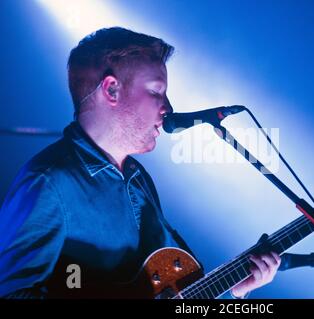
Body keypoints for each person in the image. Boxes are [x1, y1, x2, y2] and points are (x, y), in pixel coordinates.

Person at [0, 27, 280, 299]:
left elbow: (180, 292)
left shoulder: (137, 178)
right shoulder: (49, 181)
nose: (168, 108)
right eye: (157, 91)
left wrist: (236, 291)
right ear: (111, 90)